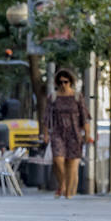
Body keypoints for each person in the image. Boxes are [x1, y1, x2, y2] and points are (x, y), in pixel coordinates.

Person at [44, 66, 94, 199]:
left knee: (72, 164)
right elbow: (47, 116)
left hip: (74, 132)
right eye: (60, 82)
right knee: (57, 159)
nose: (63, 85)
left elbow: (84, 116)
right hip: (58, 132)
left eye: (65, 82)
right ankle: (63, 183)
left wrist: (87, 134)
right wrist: (45, 133)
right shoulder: (53, 97)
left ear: (70, 82)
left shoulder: (77, 96)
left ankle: (68, 193)